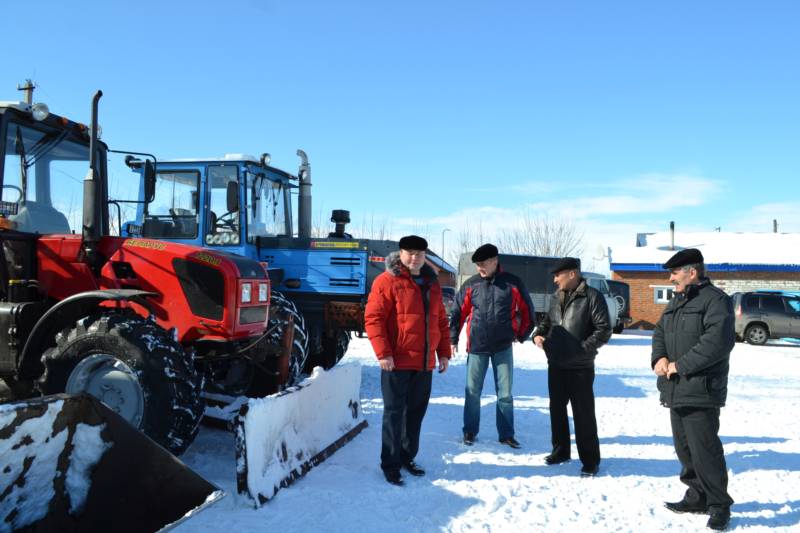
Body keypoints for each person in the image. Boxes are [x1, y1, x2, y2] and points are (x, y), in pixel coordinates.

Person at [651, 248, 734, 531]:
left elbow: (716, 344)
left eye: (675, 272)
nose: (671, 278)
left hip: (701, 389)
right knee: (684, 449)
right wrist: (659, 358)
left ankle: (719, 505)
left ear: (692, 272)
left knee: (705, 450)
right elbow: (660, 331)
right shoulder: (678, 300)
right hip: (676, 389)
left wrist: (679, 365)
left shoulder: (716, 301)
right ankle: (697, 496)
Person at [365, 235, 451, 486]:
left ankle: (406, 457)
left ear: (425, 256)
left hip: (423, 363)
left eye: (419, 254)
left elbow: (440, 320)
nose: (414, 258)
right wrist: (384, 353)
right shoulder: (386, 281)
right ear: (400, 254)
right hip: (396, 362)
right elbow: (374, 319)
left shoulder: (431, 282)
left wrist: (443, 352)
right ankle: (390, 464)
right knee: (394, 414)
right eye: (409, 253)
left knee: (415, 413)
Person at [450, 243, 535, 448]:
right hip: (477, 347)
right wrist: (453, 339)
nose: (480, 268)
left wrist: (522, 334)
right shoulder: (471, 285)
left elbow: (528, 311)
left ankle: (506, 434)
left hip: (503, 347)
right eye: (477, 264)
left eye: (483, 263)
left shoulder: (512, 283)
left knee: (505, 394)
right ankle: (470, 431)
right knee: (472, 392)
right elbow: (458, 312)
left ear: (495, 261)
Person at [532, 257, 610, 477]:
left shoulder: (593, 297)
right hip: (556, 364)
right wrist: (538, 334)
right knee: (556, 409)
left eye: (558, 275)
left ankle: (590, 460)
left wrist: (582, 350)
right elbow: (548, 323)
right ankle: (561, 451)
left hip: (580, 367)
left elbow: (603, 330)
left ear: (572, 274)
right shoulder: (556, 297)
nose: (555, 280)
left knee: (583, 413)